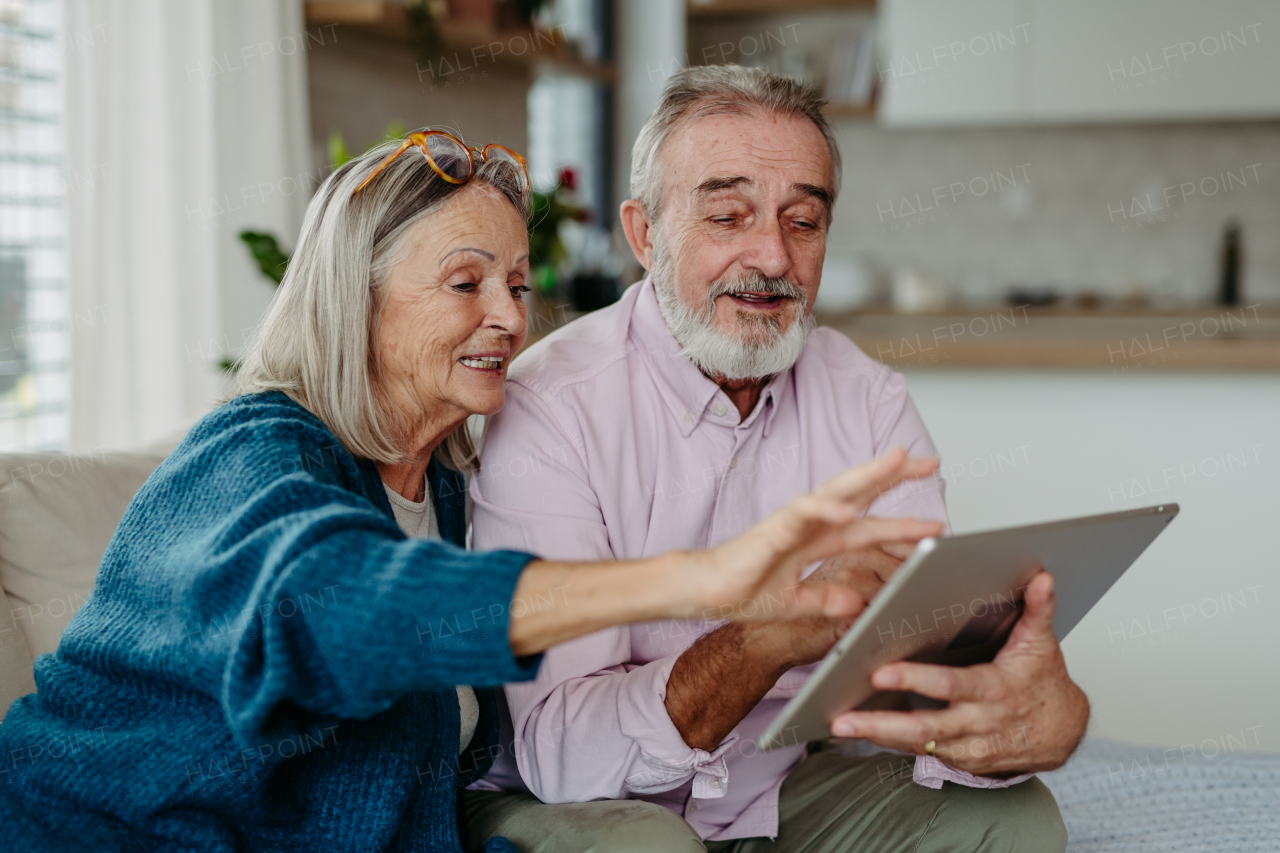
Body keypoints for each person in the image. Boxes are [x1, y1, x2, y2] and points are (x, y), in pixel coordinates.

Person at [0, 130, 944, 853]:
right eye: (464, 282)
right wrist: (699, 581)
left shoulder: (447, 488)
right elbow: (349, 607)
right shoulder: (249, 457)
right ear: (355, 298)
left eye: (516, 282)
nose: (508, 315)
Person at [465, 66, 1089, 852]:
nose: (773, 255)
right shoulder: (550, 406)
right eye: (728, 216)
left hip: (776, 786)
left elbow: (919, 672)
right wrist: (763, 637)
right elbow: (559, 754)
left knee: (1017, 820)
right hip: (579, 803)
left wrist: (1032, 712)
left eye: (804, 221)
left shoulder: (868, 399)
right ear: (645, 233)